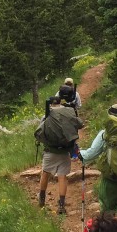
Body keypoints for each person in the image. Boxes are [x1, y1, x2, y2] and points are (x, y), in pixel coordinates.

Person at [37, 84, 85, 215]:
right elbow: (80, 124)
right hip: (65, 150)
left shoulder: (48, 114)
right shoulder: (69, 111)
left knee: (45, 173)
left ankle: (41, 199)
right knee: (62, 177)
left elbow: (39, 130)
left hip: (50, 150)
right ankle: (62, 205)